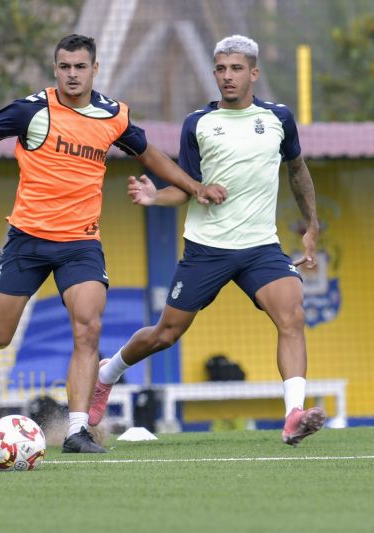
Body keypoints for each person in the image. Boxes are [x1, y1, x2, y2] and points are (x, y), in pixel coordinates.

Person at [0, 34, 226, 453]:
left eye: (80, 67)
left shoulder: (113, 115)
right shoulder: (31, 109)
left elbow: (151, 156)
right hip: (27, 240)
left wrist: (194, 186)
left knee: (88, 327)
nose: (72, 74)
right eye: (64, 67)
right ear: (55, 69)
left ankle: (77, 430)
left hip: (80, 243)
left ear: (94, 69)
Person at [87, 35, 326, 446]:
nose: (227, 76)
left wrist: (312, 224)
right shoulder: (198, 123)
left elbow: (297, 170)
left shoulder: (279, 119)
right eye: (220, 68)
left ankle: (292, 416)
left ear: (254, 72)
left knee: (292, 316)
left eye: (235, 68)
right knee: (165, 334)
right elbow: (186, 187)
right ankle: (107, 374)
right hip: (206, 249)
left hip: (260, 249)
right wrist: (154, 196)